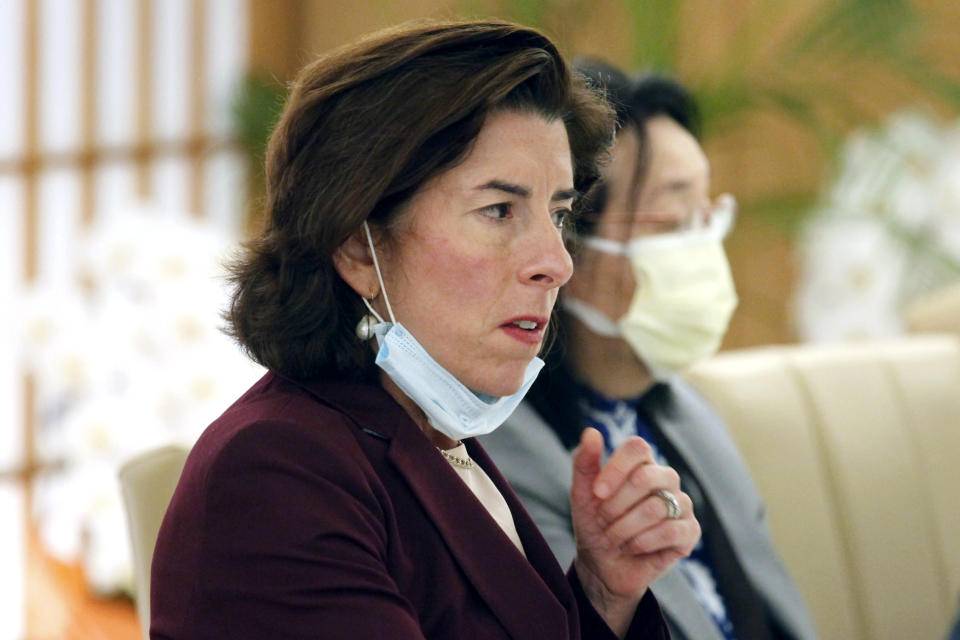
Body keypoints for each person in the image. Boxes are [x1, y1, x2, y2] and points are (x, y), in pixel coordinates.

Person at [149, 21, 702, 640]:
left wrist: (602, 592)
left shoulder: (433, 432)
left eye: (559, 214)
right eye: (499, 210)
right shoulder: (277, 471)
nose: (558, 262)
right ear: (358, 247)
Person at [480, 58, 818, 640]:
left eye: (707, 213)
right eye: (673, 219)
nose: (705, 246)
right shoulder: (501, 454)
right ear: (571, 247)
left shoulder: (690, 411)